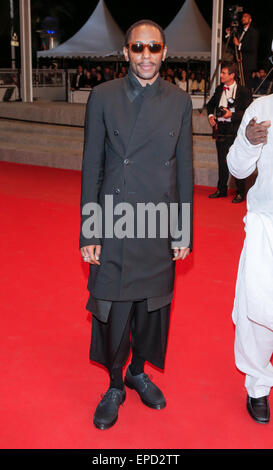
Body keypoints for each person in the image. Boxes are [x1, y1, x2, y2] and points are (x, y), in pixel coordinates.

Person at [79, 19, 193, 430]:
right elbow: (92, 164)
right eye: (138, 47)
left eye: (154, 47)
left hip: (159, 221)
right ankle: (114, 383)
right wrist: (90, 229)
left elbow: (183, 169)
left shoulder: (180, 102)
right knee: (113, 307)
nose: (146, 55)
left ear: (164, 52)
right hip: (115, 219)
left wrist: (183, 230)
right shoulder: (103, 96)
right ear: (126, 52)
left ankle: (138, 371)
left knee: (152, 310)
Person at [226, 95, 272, 423]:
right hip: (267, 224)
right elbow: (237, 168)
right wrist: (247, 141)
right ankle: (257, 387)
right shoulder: (261, 108)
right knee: (258, 312)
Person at [207, 62, 252, 203]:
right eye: (221, 73)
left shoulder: (244, 91)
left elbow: (248, 112)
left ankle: (240, 192)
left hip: (237, 132)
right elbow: (210, 105)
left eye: (224, 73)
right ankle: (221, 190)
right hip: (221, 131)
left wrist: (231, 115)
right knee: (222, 162)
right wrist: (210, 116)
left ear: (232, 75)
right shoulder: (220, 89)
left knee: (238, 162)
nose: (221, 75)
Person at [232, 12, 259, 89]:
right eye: (243, 17)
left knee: (246, 85)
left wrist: (239, 45)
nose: (243, 18)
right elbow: (234, 45)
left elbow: (252, 47)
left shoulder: (253, 32)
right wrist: (228, 35)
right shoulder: (240, 31)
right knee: (238, 84)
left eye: (246, 17)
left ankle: (247, 100)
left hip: (248, 63)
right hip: (239, 62)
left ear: (250, 20)